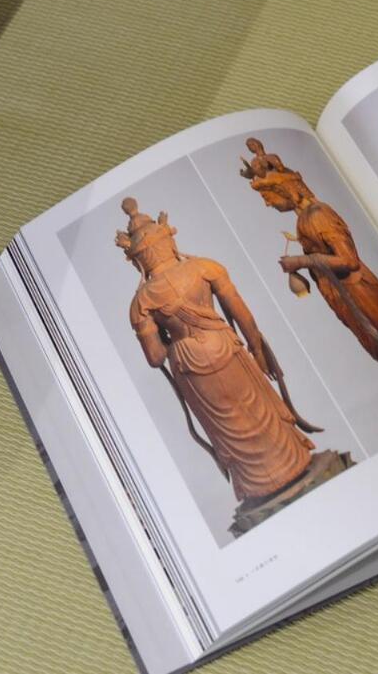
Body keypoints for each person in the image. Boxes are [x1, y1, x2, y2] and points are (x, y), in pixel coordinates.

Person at [115, 197, 314, 503]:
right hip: (224, 346)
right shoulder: (204, 267)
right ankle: (292, 462)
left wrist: (170, 337)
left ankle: (256, 484)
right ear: (169, 240)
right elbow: (243, 315)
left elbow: (155, 357)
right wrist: (257, 349)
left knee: (228, 427)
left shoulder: (141, 302)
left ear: (138, 259)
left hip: (187, 362)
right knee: (257, 407)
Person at [242, 150, 378, 408]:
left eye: (267, 197)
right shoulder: (304, 218)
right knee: (377, 345)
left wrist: (302, 261)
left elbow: (349, 261)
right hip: (343, 294)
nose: (267, 204)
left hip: (358, 289)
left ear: (284, 191)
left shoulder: (318, 215)